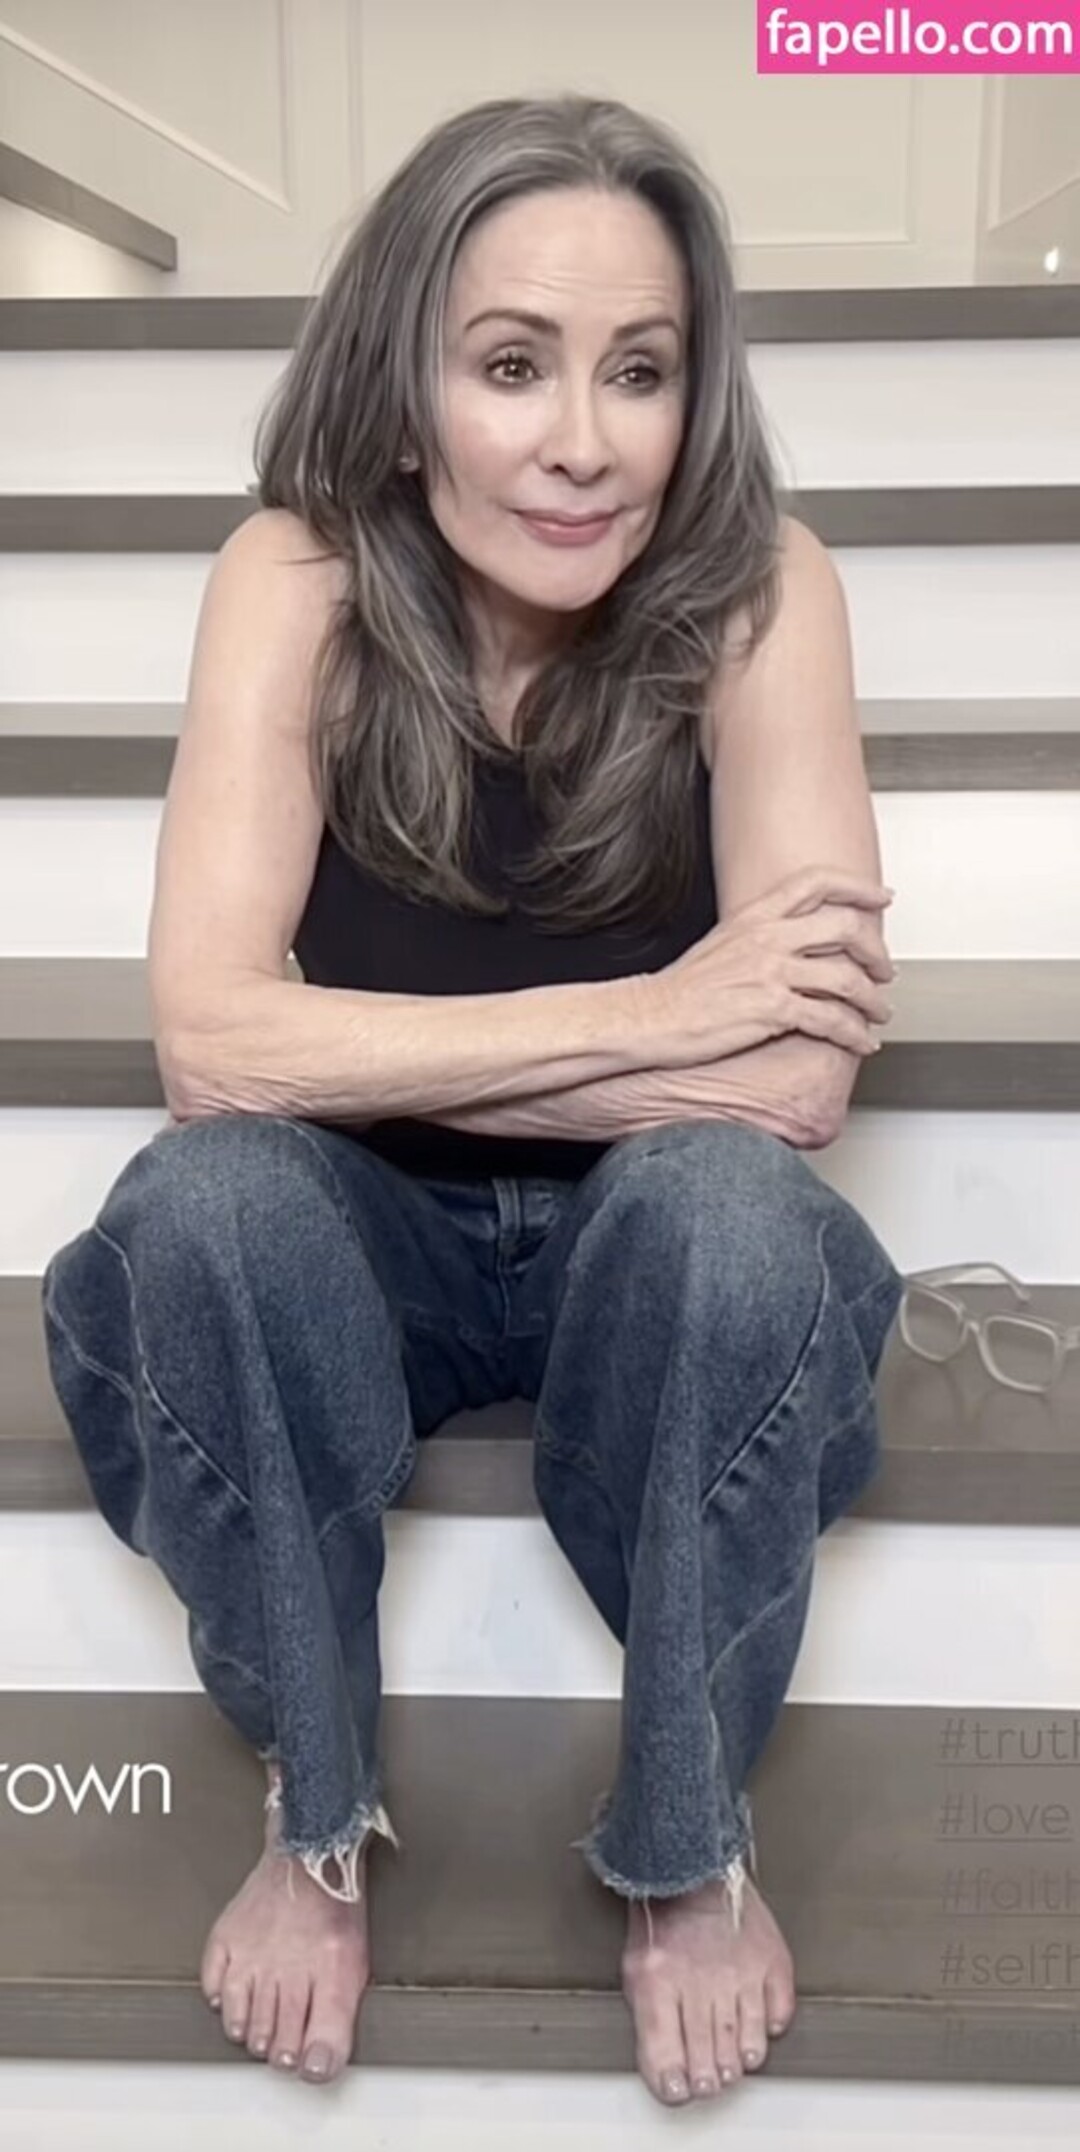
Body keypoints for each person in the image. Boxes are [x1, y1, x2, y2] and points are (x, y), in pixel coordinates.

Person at [40, 91, 903, 2108]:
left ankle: (689, 1845)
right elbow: (213, 1047)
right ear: (407, 380)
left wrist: (389, 1050)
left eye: (641, 370)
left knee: (731, 1218)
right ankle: (315, 1819)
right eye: (513, 365)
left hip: (638, 1245)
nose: (583, 441)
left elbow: (794, 1075)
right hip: (359, 1243)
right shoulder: (296, 578)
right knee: (209, 1206)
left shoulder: (762, 586)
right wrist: (661, 1010)